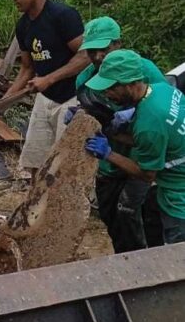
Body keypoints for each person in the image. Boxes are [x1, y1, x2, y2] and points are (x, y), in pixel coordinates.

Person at [69, 17, 167, 253]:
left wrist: (135, 113)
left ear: (118, 44)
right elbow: (88, 116)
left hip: (139, 158)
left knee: (136, 214)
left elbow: (161, 113)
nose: (99, 56)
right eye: (92, 51)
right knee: (112, 216)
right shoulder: (86, 80)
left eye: (104, 49)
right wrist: (79, 119)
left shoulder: (144, 70)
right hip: (108, 162)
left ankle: (149, 266)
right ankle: (123, 265)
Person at [84, 50, 185, 244]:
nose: (106, 93)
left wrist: (109, 153)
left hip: (179, 197)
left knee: (178, 257)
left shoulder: (150, 123)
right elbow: (161, 139)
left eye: (111, 87)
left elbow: (147, 174)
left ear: (131, 83)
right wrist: (112, 133)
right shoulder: (162, 90)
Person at [7, 0, 90, 179]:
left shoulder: (63, 16)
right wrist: (5, 100)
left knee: (65, 162)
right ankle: (34, 207)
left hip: (72, 98)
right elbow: (27, 68)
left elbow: (85, 56)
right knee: (35, 160)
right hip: (45, 99)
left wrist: (49, 79)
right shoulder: (23, 26)